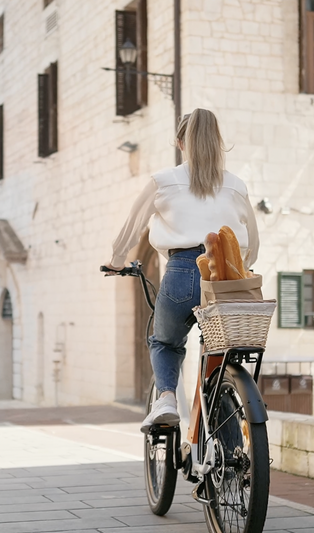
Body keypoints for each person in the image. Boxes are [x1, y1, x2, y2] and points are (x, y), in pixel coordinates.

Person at [106, 108, 259, 433]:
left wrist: (117, 260)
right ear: (218, 141)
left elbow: (133, 226)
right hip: (228, 278)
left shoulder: (164, 181)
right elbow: (253, 243)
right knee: (221, 354)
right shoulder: (236, 185)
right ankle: (227, 433)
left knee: (165, 343)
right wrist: (244, 265)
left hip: (182, 273)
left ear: (180, 143)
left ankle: (166, 400)